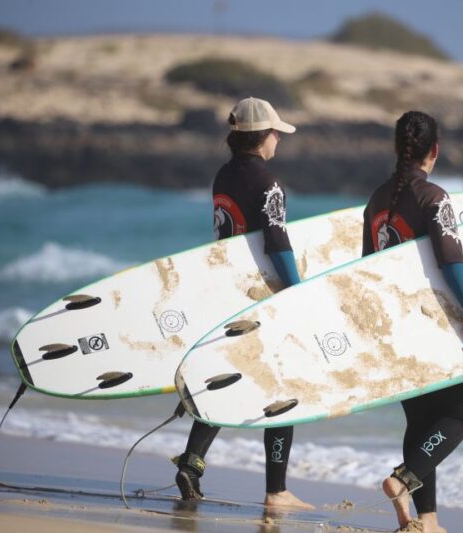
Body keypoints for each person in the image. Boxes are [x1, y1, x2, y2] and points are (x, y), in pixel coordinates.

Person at [175, 97, 313, 510]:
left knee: (223, 376)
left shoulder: (223, 176)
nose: (278, 140)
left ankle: (192, 464)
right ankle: (276, 489)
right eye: (275, 133)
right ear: (262, 136)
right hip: (260, 297)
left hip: (225, 291)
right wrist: (299, 293)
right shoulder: (268, 184)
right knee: (283, 387)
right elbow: (277, 243)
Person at [361, 111, 463, 532]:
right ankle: (402, 480)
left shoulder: (377, 201)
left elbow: (364, 272)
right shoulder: (434, 197)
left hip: (393, 327)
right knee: (457, 417)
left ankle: (427, 520)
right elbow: (451, 259)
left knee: (419, 422)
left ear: (398, 149)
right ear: (435, 150)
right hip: (430, 325)